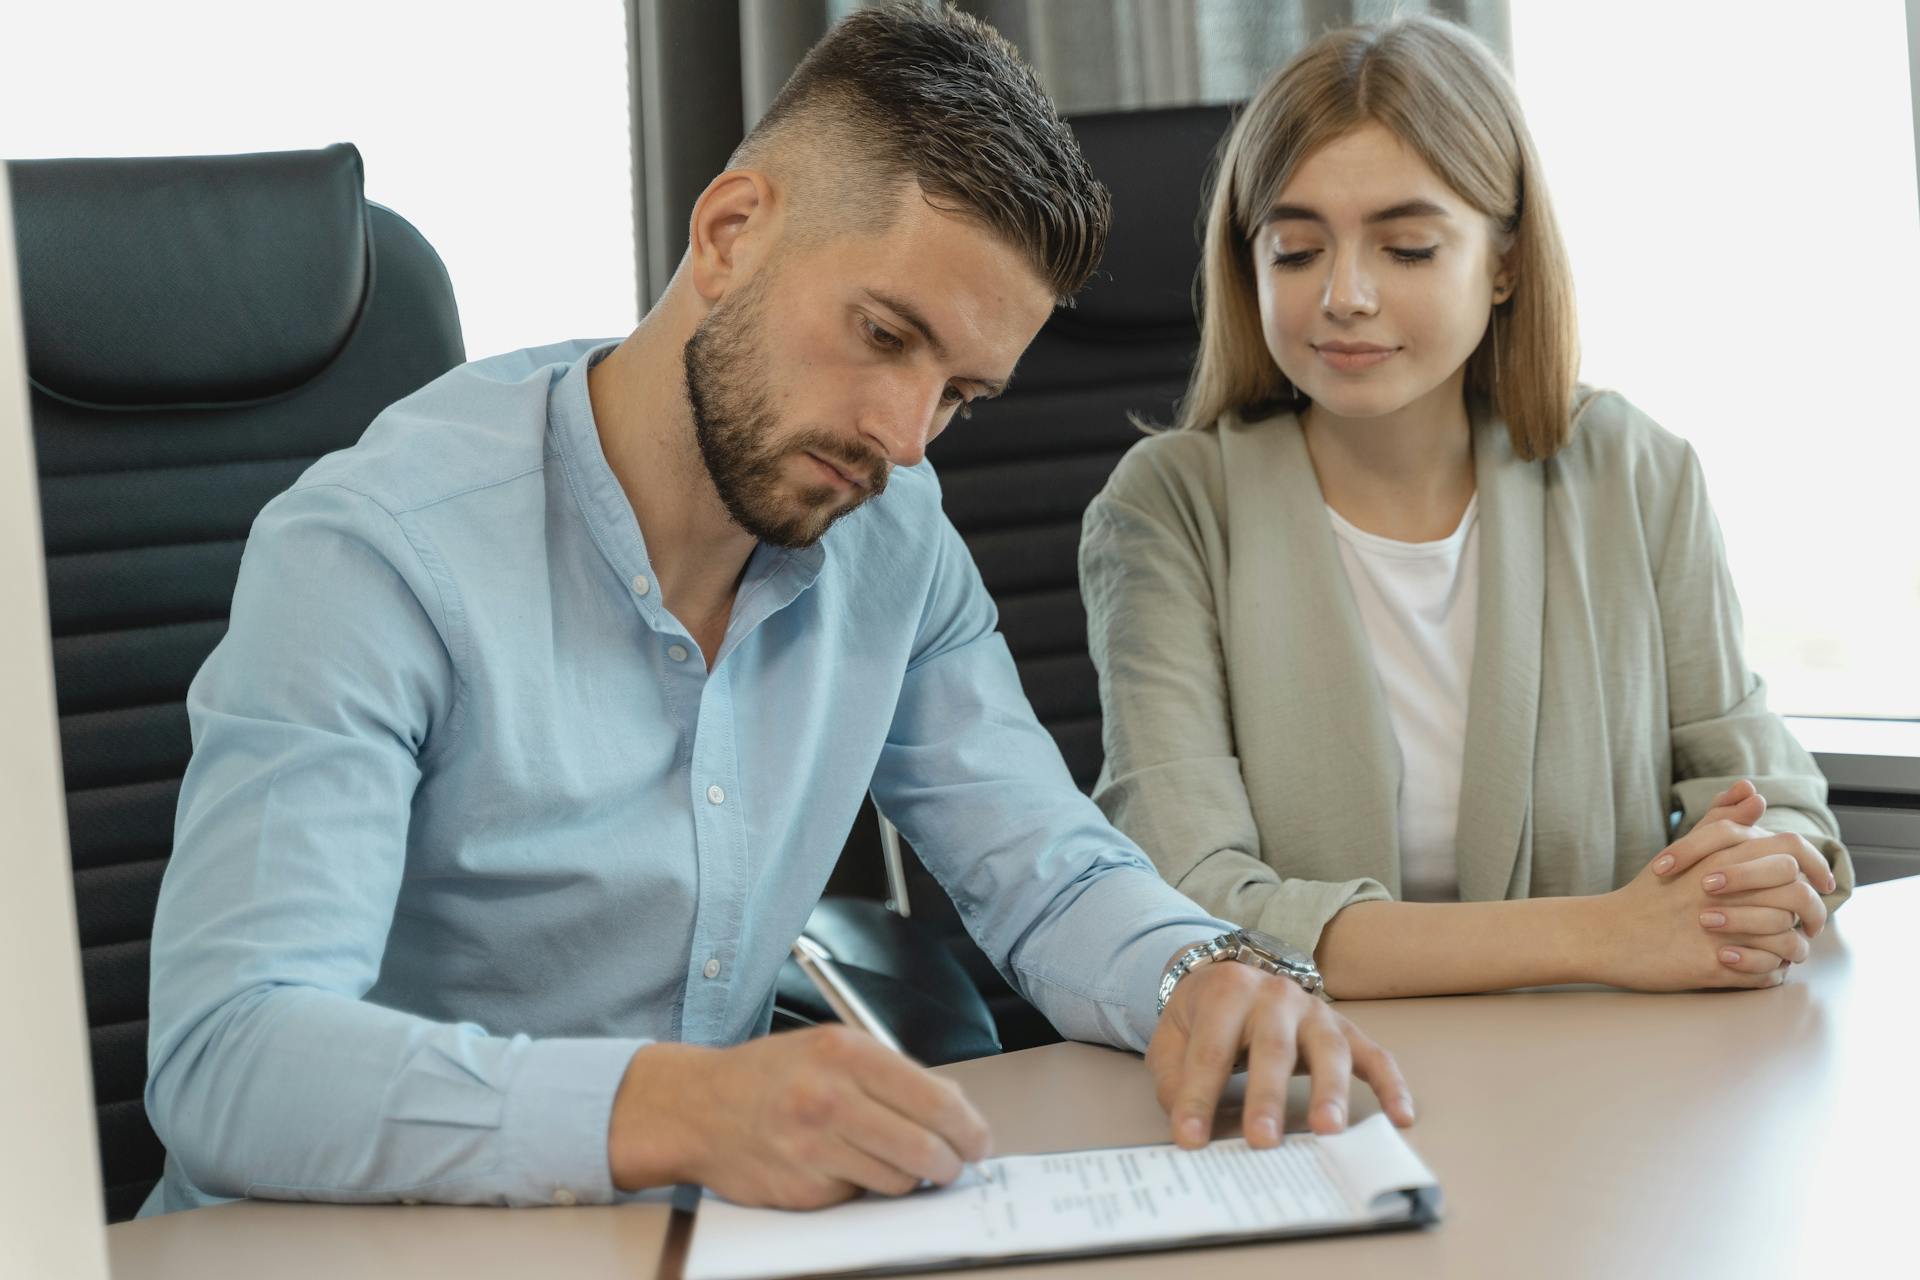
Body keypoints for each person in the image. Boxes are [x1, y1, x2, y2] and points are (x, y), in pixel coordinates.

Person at [141, 5, 1415, 1219]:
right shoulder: (377, 552)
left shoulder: (889, 534)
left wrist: (1205, 974)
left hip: (710, 1234)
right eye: (882, 333)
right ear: (732, 230)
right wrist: (674, 1106)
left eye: (961, 392)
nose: (906, 438)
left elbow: (1045, 870)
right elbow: (232, 1054)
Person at [1079, 16, 1851, 1002]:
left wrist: (1760, 869)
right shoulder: (1169, 507)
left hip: (1613, 1076)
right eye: (1296, 250)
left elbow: (1773, 795)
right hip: (1322, 1078)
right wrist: (1606, 932)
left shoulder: (1635, 471)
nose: (1344, 295)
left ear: (1504, 262)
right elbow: (1190, 900)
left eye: (1405, 248)